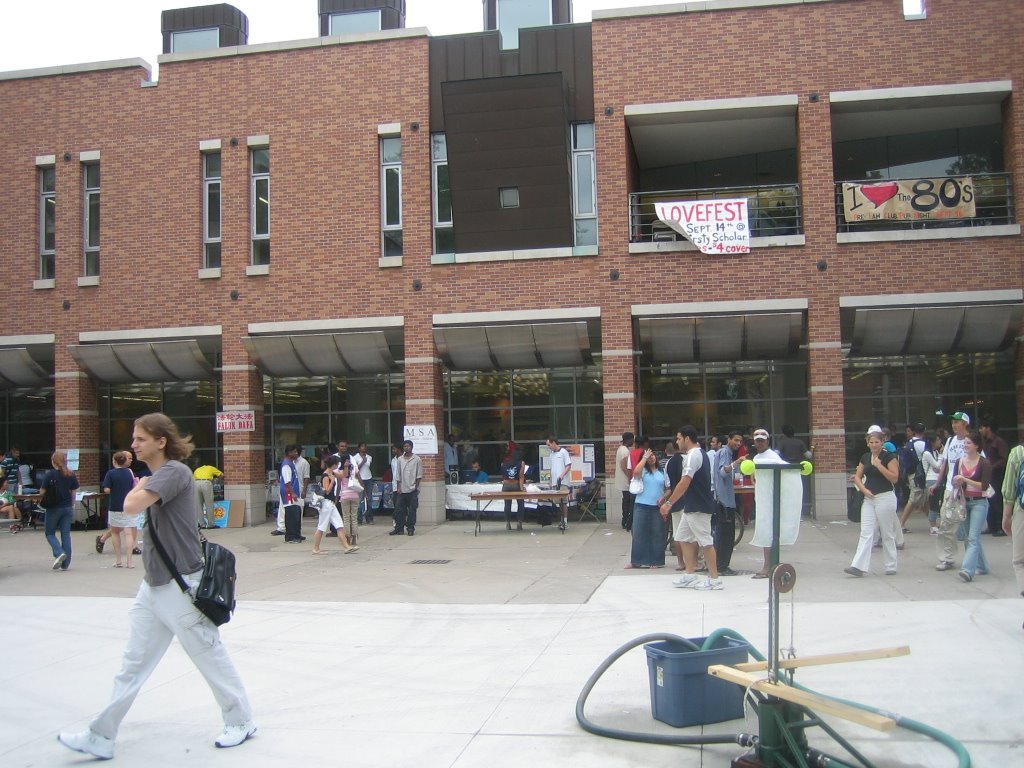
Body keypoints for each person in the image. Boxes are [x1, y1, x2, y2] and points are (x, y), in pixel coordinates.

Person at [57, 413, 255, 759]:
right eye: (133, 440)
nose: (132, 445)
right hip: (154, 588)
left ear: (161, 441)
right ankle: (101, 735)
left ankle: (240, 721)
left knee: (209, 657)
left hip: (182, 587)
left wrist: (134, 483)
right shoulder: (156, 475)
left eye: (140, 439)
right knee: (132, 664)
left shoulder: (174, 472)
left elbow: (129, 505)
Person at [663, 426, 722, 590]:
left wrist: (669, 503)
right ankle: (690, 574)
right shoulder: (697, 454)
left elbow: (685, 481)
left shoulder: (693, 455)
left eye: (679, 438)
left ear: (687, 438)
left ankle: (715, 579)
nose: (677, 442)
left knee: (706, 542)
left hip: (699, 507)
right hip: (691, 506)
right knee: (684, 538)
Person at [845, 426, 900, 577]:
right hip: (869, 498)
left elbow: (894, 478)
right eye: (871, 442)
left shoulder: (889, 457)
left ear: (882, 442)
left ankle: (891, 565)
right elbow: (857, 476)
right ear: (867, 443)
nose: (874, 445)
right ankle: (858, 566)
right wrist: (864, 490)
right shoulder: (865, 457)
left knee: (886, 532)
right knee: (866, 532)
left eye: (877, 442)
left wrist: (879, 466)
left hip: (885, 497)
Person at [952, 431, 992, 583]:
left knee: (973, 537)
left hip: (979, 503)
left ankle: (967, 570)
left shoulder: (984, 463)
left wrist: (966, 479)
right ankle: (982, 566)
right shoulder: (959, 462)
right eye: (965, 442)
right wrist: (958, 481)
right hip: (964, 502)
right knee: (969, 538)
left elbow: (984, 486)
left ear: (977, 445)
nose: (965, 445)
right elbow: (954, 482)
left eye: (968, 443)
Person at [934, 412, 971, 571]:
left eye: (957, 422)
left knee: (969, 529)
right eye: (953, 422)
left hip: (969, 491)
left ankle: (973, 559)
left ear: (965, 424)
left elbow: (981, 463)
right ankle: (947, 558)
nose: (954, 425)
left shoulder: (973, 441)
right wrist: (937, 483)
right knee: (945, 524)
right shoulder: (950, 441)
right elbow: (944, 465)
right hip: (951, 490)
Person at [36, 450, 79, 571]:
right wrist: (72, 504)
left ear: (53, 462)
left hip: (53, 507)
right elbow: (74, 491)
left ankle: (59, 552)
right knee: (65, 534)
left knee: (49, 533)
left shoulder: (50, 474)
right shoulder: (71, 474)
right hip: (67, 507)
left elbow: (42, 491)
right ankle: (66, 564)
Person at [626, 446, 666, 568]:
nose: (651, 458)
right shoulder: (643, 471)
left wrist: (663, 497)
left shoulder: (662, 472)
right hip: (641, 505)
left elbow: (669, 489)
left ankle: (656, 561)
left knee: (657, 534)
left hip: (657, 506)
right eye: (649, 456)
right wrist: (644, 458)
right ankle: (636, 560)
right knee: (638, 533)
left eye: (652, 455)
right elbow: (635, 473)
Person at [312, 455, 358, 554]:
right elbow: (327, 491)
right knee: (321, 526)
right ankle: (316, 548)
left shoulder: (332, 473)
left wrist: (346, 466)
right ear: (334, 464)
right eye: (337, 464)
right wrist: (332, 481)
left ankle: (346, 546)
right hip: (326, 504)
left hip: (331, 504)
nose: (338, 465)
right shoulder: (325, 475)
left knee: (339, 525)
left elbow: (344, 475)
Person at [1000, 441, 1024, 628]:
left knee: (1020, 561)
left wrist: (1006, 516)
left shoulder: (1018, 453)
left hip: (1021, 511)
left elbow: (1009, 489)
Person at [713, 432, 742, 575]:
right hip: (724, 502)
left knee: (723, 536)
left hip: (725, 500)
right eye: (736, 440)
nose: (738, 443)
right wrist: (736, 463)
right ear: (728, 439)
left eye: (740, 441)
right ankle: (722, 567)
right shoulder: (725, 452)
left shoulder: (725, 453)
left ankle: (720, 565)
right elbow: (723, 472)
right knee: (726, 537)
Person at [103, 451, 139, 568]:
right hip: (128, 504)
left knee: (115, 532)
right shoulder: (129, 472)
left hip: (115, 506)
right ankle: (130, 561)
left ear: (114, 461)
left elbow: (107, 490)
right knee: (129, 533)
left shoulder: (110, 473)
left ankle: (118, 560)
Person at [896, 423, 928, 536]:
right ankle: (901, 524)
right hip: (919, 475)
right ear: (924, 431)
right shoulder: (923, 444)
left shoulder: (909, 443)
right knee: (914, 499)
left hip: (911, 474)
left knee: (924, 499)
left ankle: (933, 523)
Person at [979, 419, 1008, 537]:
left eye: (982, 428)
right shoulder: (985, 443)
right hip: (987, 476)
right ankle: (992, 526)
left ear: (988, 428)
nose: (980, 430)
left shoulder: (998, 442)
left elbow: (1004, 459)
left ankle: (1001, 527)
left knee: (997, 501)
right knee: (989, 501)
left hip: (997, 476)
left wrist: (991, 467)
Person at [391, 440, 422, 536]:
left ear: (412, 447)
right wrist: (398, 487)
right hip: (402, 489)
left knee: (412, 510)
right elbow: (398, 474)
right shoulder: (400, 459)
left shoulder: (417, 459)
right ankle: (399, 529)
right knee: (399, 510)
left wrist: (416, 487)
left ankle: (410, 528)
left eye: (408, 446)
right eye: (405, 446)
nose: (406, 448)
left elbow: (419, 475)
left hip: (412, 489)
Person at [275, 445, 304, 542]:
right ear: (289, 453)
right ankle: (291, 536)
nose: (296, 453)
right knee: (291, 514)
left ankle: (297, 534)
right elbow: (287, 482)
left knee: (296, 513)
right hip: (289, 494)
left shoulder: (291, 463)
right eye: (294, 452)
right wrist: (293, 493)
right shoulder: (286, 465)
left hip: (294, 492)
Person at [333, 455, 362, 545]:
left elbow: (338, 486)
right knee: (354, 517)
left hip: (345, 495)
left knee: (346, 518)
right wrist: (363, 492)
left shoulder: (339, 471)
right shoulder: (354, 469)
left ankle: (348, 538)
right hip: (354, 495)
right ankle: (354, 538)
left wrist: (336, 498)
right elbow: (360, 480)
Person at [922, 434, 944, 535]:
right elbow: (937, 465)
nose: (940, 441)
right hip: (931, 480)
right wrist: (940, 454)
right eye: (938, 439)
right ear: (932, 442)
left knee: (938, 503)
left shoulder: (934, 452)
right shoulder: (927, 453)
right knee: (933, 503)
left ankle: (936, 524)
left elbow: (939, 467)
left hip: (937, 479)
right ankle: (933, 526)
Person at [499, 449, 525, 531]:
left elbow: (503, 476)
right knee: (520, 503)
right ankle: (519, 523)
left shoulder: (504, 463)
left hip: (506, 485)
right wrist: (521, 488)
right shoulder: (521, 463)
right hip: (515, 484)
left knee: (507, 504)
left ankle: (508, 523)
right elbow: (521, 477)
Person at [614, 432, 634, 532]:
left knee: (625, 501)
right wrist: (631, 478)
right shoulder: (625, 451)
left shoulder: (620, 449)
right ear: (629, 440)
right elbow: (625, 466)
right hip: (626, 482)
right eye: (632, 439)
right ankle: (626, 522)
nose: (633, 442)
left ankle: (625, 521)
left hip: (622, 481)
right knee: (627, 502)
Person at [192, 462, 223, 529]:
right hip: (206, 483)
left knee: (198, 505)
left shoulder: (197, 469)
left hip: (196, 483)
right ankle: (211, 525)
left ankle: (201, 524)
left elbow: (192, 478)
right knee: (209, 504)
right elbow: (221, 475)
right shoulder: (211, 468)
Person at [351, 442, 373, 524]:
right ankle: (359, 518)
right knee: (360, 499)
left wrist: (365, 461)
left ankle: (369, 518)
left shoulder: (369, 457)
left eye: (365, 446)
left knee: (369, 498)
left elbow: (368, 467)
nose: (364, 448)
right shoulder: (355, 457)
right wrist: (363, 462)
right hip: (359, 479)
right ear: (359, 448)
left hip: (368, 478)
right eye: (362, 447)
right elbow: (355, 469)